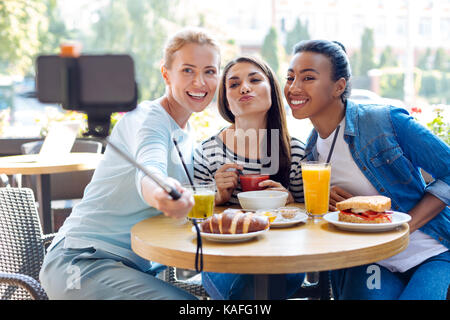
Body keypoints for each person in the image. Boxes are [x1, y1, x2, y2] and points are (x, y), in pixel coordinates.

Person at [39, 28, 221, 300]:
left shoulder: (186, 132)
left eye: (209, 71)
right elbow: (150, 170)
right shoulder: (148, 118)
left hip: (131, 269)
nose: (200, 82)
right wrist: (161, 193)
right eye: (187, 70)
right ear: (166, 74)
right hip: (79, 264)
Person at [284, 39, 450, 300]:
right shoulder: (312, 149)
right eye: (290, 77)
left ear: (339, 86)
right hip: (373, 258)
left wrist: (404, 227)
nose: (294, 87)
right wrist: (327, 200)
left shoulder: (384, 120)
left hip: (431, 251)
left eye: (308, 78)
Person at [194, 56, 306, 299]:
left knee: (268, 279)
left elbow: (310, 221)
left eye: (254, 80)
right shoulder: (208, 151)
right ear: (225, 100)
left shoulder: (295, 151)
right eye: (233, 85)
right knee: (249, 288)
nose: (244, 87)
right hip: (222, 258)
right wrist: (218, 197)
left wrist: (289, 200)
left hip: (283, 255)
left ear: (272, 91)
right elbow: (191, 220)